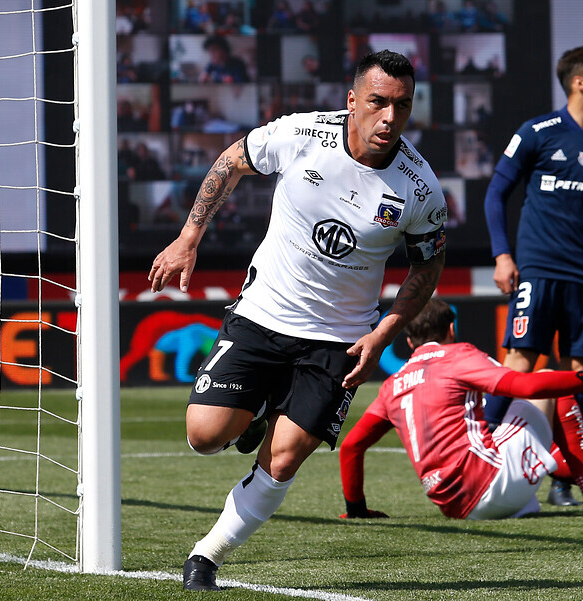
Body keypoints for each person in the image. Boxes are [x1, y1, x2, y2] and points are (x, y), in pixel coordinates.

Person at [148, 50, 448, 591]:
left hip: (340, 340)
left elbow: (428, 265)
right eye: (378, 102)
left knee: (283, 461)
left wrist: (383, 332)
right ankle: (260, 407)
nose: (388, 118)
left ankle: (207, 557)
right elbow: (229, 162)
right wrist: (189, 236)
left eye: (401, 107)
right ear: (352, 101)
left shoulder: (419, 188)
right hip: (263, 315)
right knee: (204, 436)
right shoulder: (300, 134)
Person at [338, 299, 583, 520]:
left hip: (454, 507)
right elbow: (526, 386)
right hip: (494, 485)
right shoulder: (458, 354)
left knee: (519, 437)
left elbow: (352, 447)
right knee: (547, 381)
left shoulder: (392, 384)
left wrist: (357, 509)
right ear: (451, 327)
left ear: (408, 338)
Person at [483, 40, 583, 505]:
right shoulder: (537, 131)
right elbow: (495, 195)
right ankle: (482, 460)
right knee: (519, 364)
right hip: (537, 270)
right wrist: (501, 255)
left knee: (581, 375)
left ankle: (565, 480)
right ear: (579, 82)